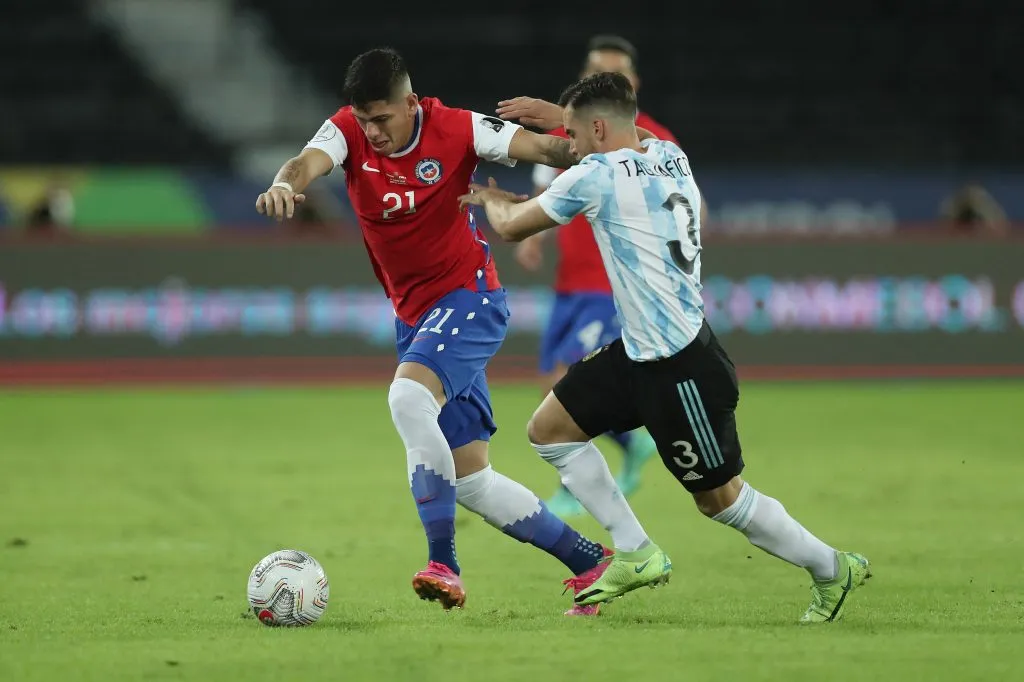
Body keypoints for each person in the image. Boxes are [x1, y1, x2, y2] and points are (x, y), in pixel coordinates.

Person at [461, 72, 871, 621]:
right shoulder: (669, 152)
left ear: (599, 129)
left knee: (720, 501)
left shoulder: (596, 174)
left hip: (683, 369)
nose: (571, 147)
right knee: (550, 430)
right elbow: (613, 144)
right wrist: (562, 116)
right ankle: (635, 551)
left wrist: (490, 198)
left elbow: (512, 228)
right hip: (638, 352)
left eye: (577, 135)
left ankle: (830, 567)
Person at [256, 48, 623, 616]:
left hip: (470, 298)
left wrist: (564, 121)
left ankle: (443, 564)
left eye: (383, 119)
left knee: (407, 398)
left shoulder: (457, 127)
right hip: (416, 317)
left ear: (409, 103)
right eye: (364, 120)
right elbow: (304, 163)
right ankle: (590, 561)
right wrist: (285, 182)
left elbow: (551, 149)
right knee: (472, 479)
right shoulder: (347, 129)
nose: (372, 132)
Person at [499, 36, 686, 518]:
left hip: (611, 283)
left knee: (567, 379)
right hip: (570, 282)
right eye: (595, 74)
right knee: (548, 381)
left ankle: (622, 449)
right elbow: (552, 174)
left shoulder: (650, 140)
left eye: (615, 75)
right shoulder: (581, 139)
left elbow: (685, 200)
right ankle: (609, 457)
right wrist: (538, 237)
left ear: (633, 85)